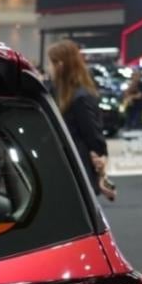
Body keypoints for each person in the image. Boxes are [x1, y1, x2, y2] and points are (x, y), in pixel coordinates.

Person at [46, 39, 116, 202]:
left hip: (77, 165)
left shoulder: (80, 97)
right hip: (64, 163)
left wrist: (100, 161)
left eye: (50, 63)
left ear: (60, 65)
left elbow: (93, 136)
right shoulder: (56, 92)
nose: (48, 68)